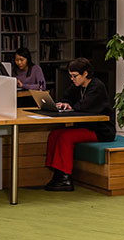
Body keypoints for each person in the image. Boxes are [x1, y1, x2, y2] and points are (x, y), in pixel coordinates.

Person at [43, 57, 115, 191]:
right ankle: (57, 173)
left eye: (75, 76)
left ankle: (65, 178)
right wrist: (65, 103)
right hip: (86, 127)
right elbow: (66, 96)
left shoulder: (97, 86)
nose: (72, 79)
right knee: (55, 134)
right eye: (70, 76)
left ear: (85, 74)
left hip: (101, 130)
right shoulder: (78, 86)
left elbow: (83, 106)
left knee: (66, 137)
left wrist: (70, 106)